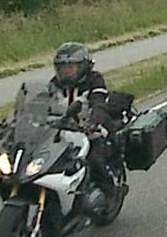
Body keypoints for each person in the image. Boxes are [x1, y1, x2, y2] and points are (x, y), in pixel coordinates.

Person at [48, 42, 119, 202]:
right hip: (66, 134)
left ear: (83, 67)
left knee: (94, 160)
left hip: (94, 132)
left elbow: (99, 104)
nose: (66, 71)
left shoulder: (94, 81)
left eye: (71, 67)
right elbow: (42, 104)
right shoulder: (54, 85)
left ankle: (110, 192)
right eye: (62, 67)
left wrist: (93, 122)